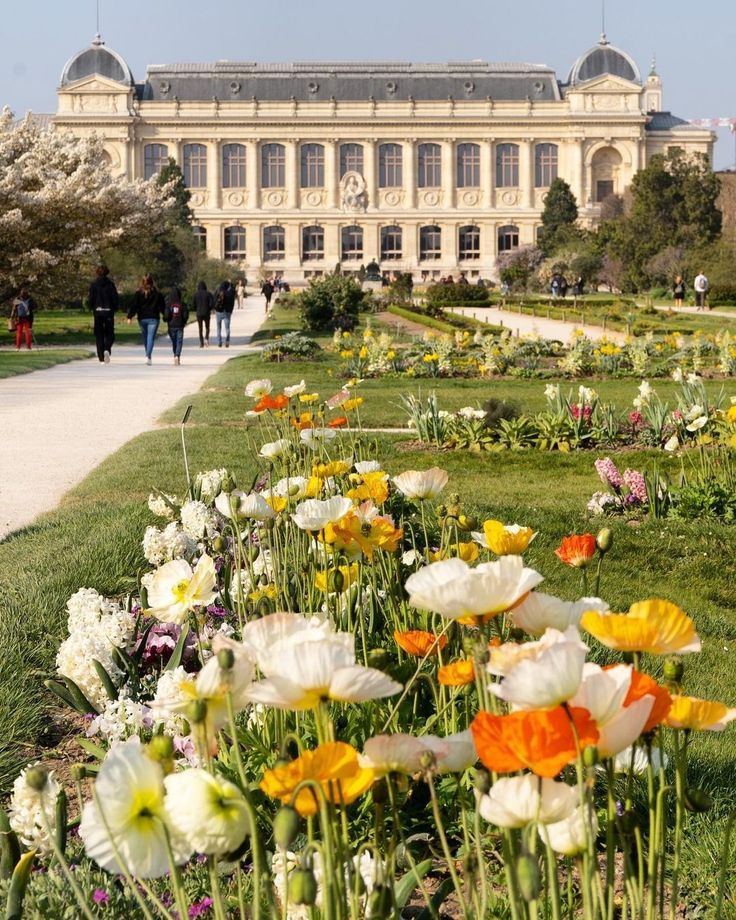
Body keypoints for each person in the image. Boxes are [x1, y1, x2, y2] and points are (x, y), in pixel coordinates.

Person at [127, 274, 164, 365]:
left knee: (145, 338)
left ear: (142, 283)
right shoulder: (157, 293)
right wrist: (166, 315)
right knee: (150, 338)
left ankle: (148, 355)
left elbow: (134, 306)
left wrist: (130, 316)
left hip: (142, 318)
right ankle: (148, 356)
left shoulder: (138, 293)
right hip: (154, 318)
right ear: (152, 282)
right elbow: (162, 306)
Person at [88, 266, 118, 363]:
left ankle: (101, 357)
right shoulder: (110, 285)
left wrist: (91, 307)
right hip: (108, 312)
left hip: (98, 312)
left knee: (99, 334)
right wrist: (115, 307)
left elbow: (91, 298)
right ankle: (107, 348)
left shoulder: (94, 285)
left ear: (97, 273)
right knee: (110, 333)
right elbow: (115, 298)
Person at [164, 287, 189, 365]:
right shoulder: (182, 304)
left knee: (174, 342)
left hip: (171, 326)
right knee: (179, 341)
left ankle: (175, 354)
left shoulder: (168, 304)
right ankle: (177, 355)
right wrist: (184, 321)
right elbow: (185, 315)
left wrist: (165, 319)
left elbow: (166, 315)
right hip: (180, 325)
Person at [214, 279, 235, 347]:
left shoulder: (218, 292)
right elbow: (232, 303)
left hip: (219, 312)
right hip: (227, 312)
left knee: (218, 328)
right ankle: (227, 341)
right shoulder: (230, 293)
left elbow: (214, 300)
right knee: (227, 328)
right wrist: (231, 310)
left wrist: (215, 308)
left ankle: (219, 342)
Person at [193, 280, 213, 348]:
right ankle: (206, 338)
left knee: (200, 328)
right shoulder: (208, 294)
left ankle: (201, 343)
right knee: (207, 327)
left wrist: (196, 309)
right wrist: (209, 309)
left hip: (199, 313)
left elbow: (193, 304)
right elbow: (211, 304)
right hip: (206, 312)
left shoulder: (196, 294)